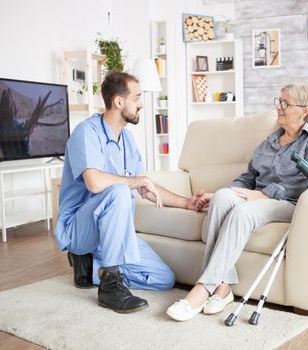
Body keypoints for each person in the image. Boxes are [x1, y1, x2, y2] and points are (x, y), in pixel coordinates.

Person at [166, 84, 308, 321]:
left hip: (289, 203)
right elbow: (249, 177)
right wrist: (227, 192)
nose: (278, 107)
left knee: (242, 213)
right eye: (278, 101)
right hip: (258, 199)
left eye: (285, 103)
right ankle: (222, 288)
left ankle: (202, 289)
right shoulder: (269, 141)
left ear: (304, 111)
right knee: (222, 198)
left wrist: (265, 194)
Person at [55, 71, 208, 314]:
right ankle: (110, 286)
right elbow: (94, 183)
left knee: (162, 278)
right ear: (118, 102)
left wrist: (186, 203)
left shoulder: (126, 139)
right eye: (137, 97)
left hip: (111, 234)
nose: (141, 104)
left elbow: (145, 186)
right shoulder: (86, 133)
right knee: (119, 191)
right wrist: (134, 181)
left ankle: (89, 265)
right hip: (80, 228)